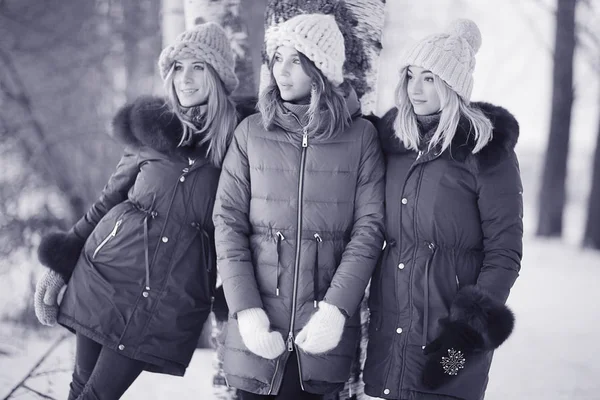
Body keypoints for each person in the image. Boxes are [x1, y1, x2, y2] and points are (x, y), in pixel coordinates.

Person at [34, 22, 249, 400]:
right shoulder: (150, 131)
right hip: (106, 277)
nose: (185, 78)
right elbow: (109, 199)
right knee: (81, 389)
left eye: (198, 67)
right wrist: (60, 262)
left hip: (170, 296)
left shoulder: (240, 141)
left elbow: (245, 222)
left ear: (217, 75)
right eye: (178, 67)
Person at [212, 13, 385, 400]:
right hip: (256, 335)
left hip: (319, 336)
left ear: (320, 69)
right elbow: (227, 223)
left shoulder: (361, 138)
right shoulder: (251, 133)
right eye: (277, 58)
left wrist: (335, 310)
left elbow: (369, 230)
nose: (281, 71)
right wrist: (247, 313)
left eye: (296, 60)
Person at [363, 19, 523, 400]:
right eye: (410, 76)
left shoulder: (486, 153)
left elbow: (505, 254)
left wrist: (461, 342)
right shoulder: (396, 145)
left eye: (430, 78)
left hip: (450, 338)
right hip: (392, 331)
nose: (415, 88)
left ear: (453, 86)